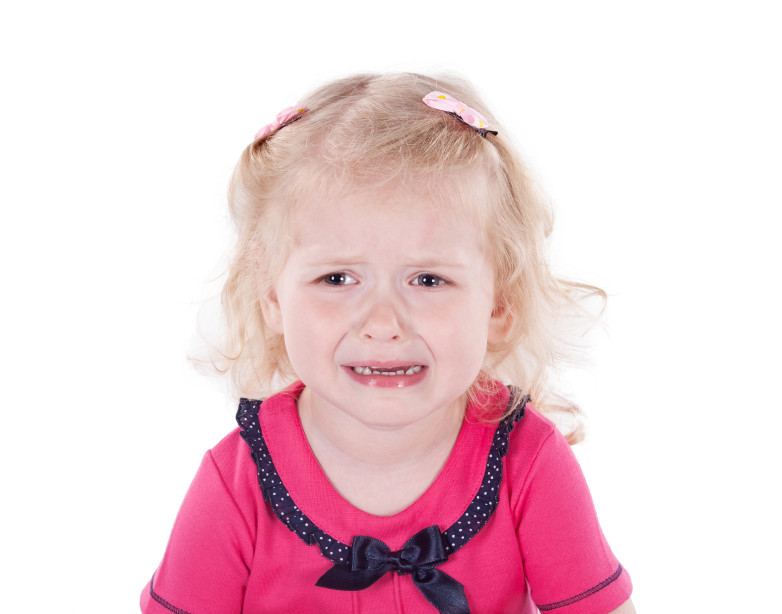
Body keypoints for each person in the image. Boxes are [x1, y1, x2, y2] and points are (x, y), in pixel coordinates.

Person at [141, 73, 635, 614]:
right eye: (337, 279)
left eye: (428, 280)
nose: (382, 323)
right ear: (272, 296)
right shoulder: (237, 482)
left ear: (499, 303)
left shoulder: (528, 461)